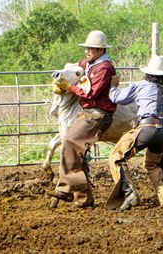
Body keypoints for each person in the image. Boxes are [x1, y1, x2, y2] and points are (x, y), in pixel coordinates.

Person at [47, 30, 116, 207]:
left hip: (98, 114)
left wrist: (69, 87)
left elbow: (90, 92)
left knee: (69, 141)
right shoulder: (90, 64)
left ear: (101, 50)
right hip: (87, 113)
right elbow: (74, 68)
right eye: (86, 48)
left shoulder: (104, 68)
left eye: (91, 49)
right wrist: (61, 75)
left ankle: (64, 188)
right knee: (77, 151)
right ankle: (83, 198)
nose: (87, 51)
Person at [105, 54, 163, 211]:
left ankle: (129, 193)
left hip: (147, 128)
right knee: (153, 164)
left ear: (148, 73)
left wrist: (113, 86)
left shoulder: (140, 86)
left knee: (117, 157)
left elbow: (118, 98)